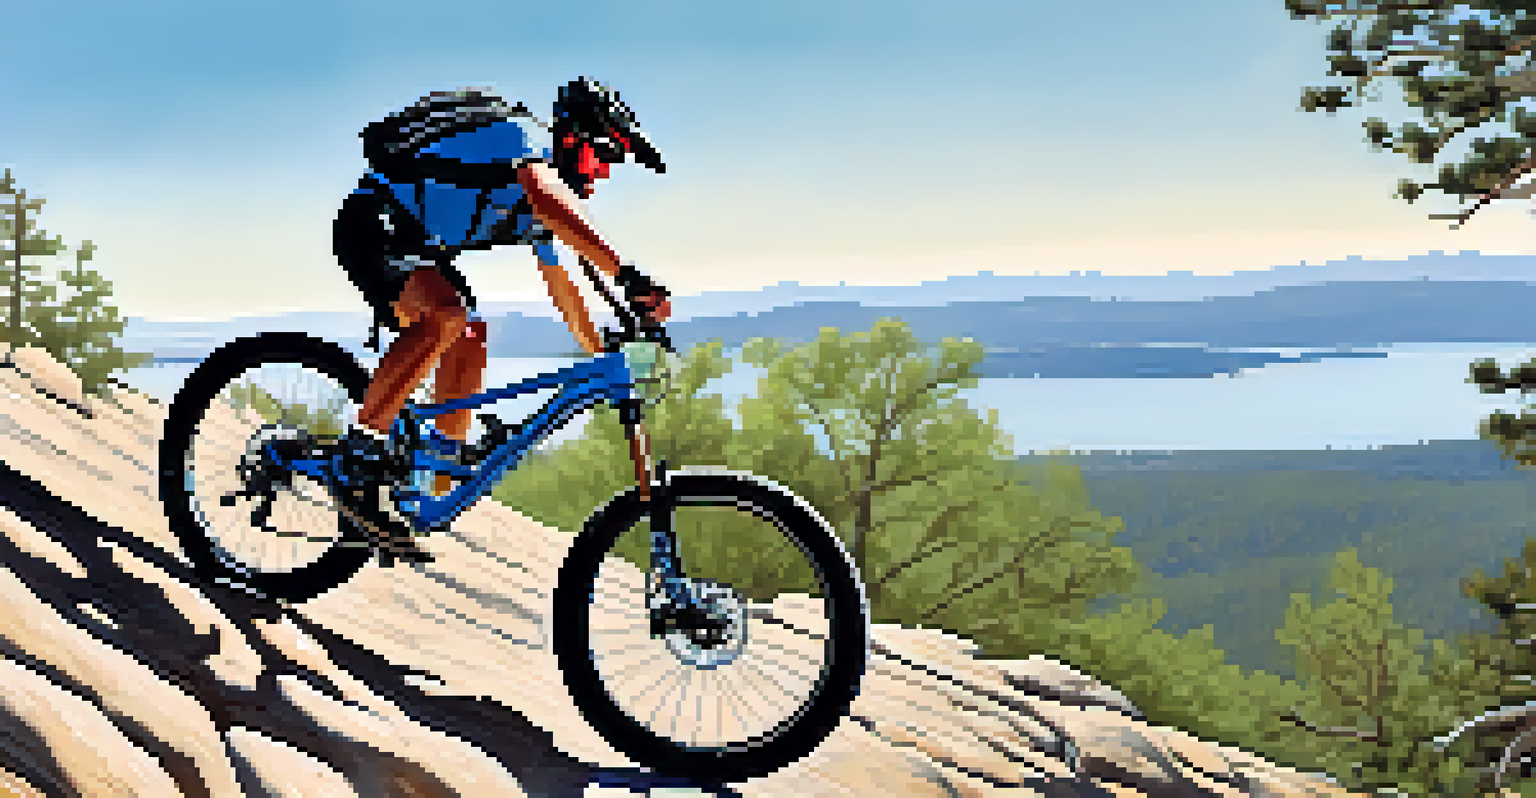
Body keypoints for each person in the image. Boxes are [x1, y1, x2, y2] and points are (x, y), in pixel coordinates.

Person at [331, 78, 671, 562]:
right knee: (446, 314)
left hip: (413, 248)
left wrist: (604, 361)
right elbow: (550, 200)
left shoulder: (535, 205)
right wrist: (630, 275)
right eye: (608, 157)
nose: (608, 174)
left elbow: (566, 293)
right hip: (373, 226)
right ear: (575, 140)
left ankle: (434, 477)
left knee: (469, 333)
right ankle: (359, 460)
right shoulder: (523, 138)